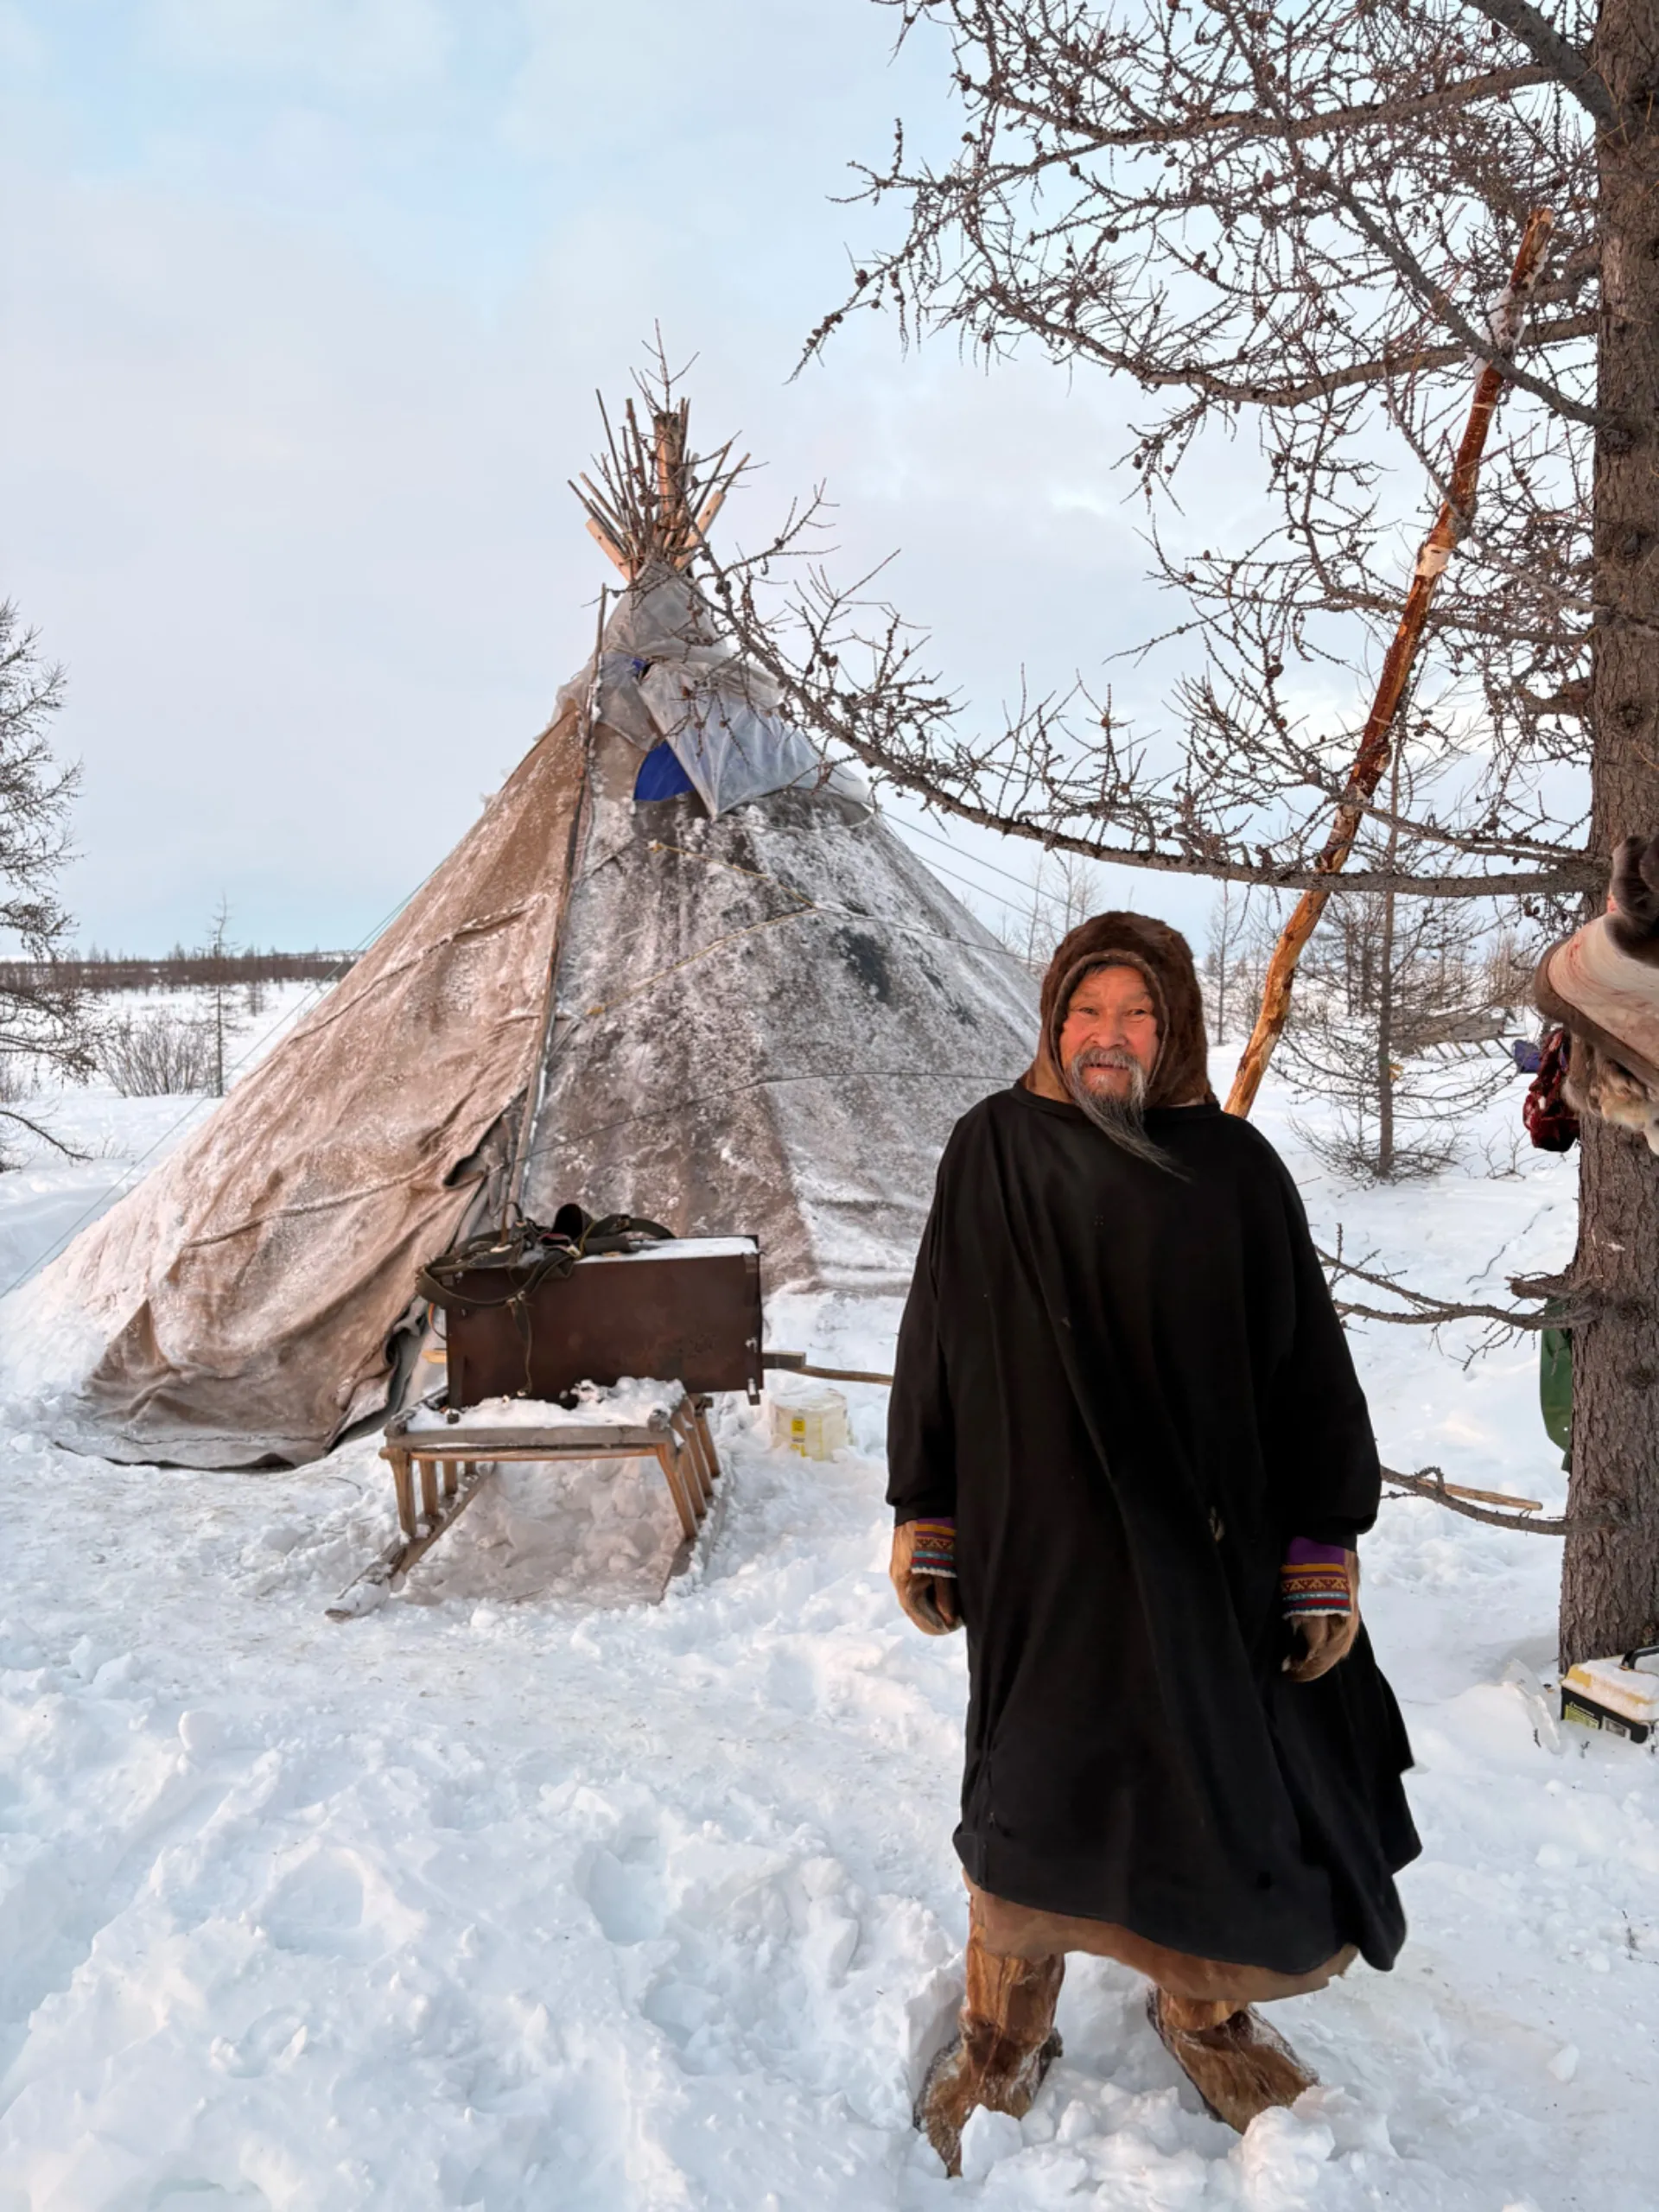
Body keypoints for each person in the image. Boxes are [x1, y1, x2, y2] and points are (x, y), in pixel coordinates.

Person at [887, 912, 1419, 2174]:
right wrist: (926, 1510)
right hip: (1039, 1555)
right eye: (1088, 1011)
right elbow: (937, 1335)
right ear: (1053, 1021)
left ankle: (1205, 2015)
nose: (1108, 1036)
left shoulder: (1234, 1171)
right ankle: (1002, 2034)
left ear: (1172, 1029)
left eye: (1136, 1013)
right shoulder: (991, 1147)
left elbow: (1306, 1370)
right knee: (1031, 1790)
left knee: (1211, 1792)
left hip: (1205, 1559)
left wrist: (1322, 1546)